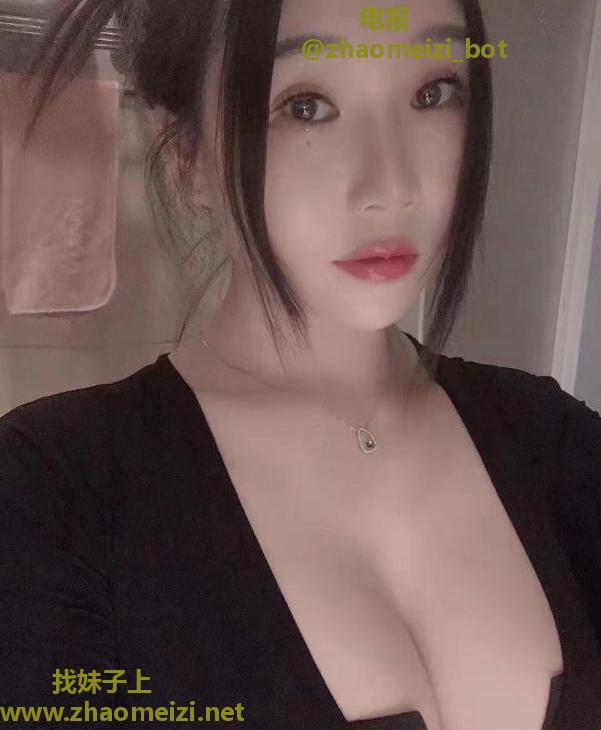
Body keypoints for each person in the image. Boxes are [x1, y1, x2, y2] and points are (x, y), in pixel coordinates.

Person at [1, 0, 600, 728]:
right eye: (306, 106)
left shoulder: (556, 440)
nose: (391, 185)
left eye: (432, 92)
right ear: (188, 157)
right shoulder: (52, 493)